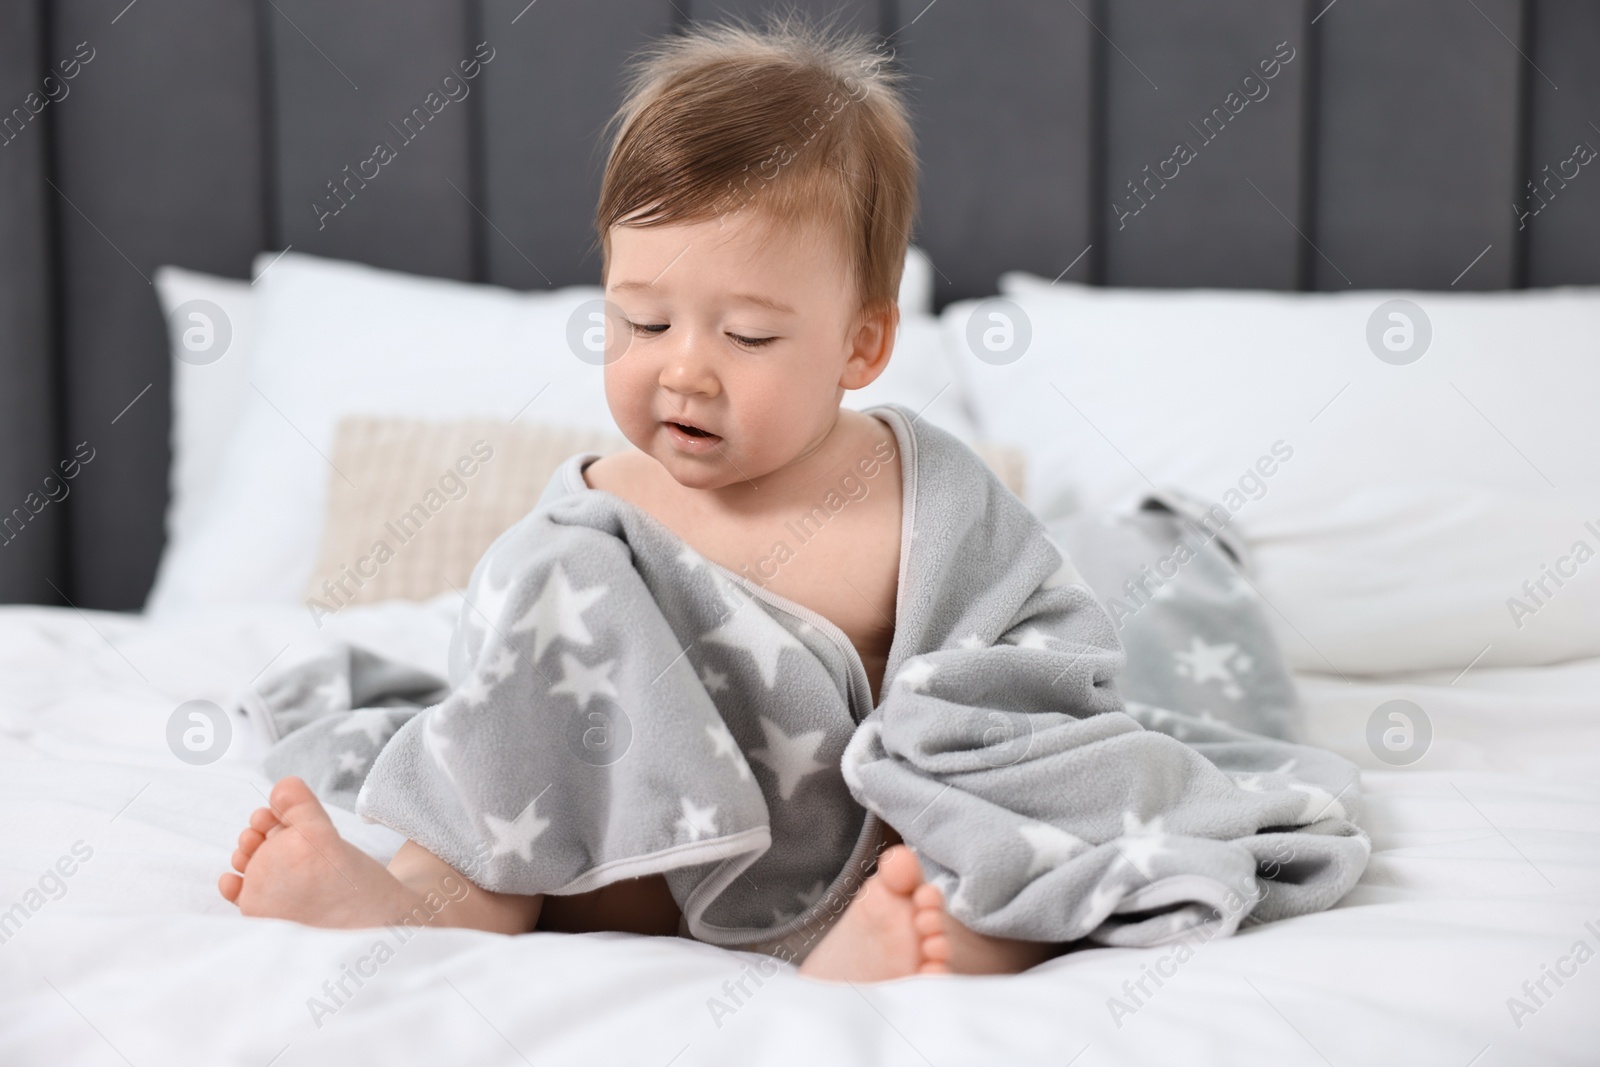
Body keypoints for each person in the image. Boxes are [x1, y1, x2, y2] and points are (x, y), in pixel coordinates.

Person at [221, 18, 1105, 981]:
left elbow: (1021, 673)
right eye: (642, 320)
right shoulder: (594, 520)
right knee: (511, 792)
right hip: (625, 863)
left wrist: (963, 786)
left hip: (847, 857)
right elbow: (505, 704)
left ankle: (913, 938)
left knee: (1030, 854)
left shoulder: (920, 501)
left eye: (750, 337)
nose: (684, 370)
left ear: (861, 343)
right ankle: (419, 905)